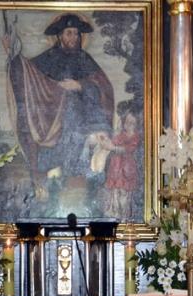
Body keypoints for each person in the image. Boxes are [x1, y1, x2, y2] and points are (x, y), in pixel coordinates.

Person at [6, 13, 115, 205]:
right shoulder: (49, 58)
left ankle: (79, 189)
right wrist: (12, 55)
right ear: (59, 36)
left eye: (77, 33)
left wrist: (80, 85)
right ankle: (50, 190)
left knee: (80, 157)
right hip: (52, 121)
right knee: (54, 166)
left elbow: (103, 87)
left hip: (81, 121)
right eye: (69, 33)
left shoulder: (84, 59)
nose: (74, 37)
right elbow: (28, 74)